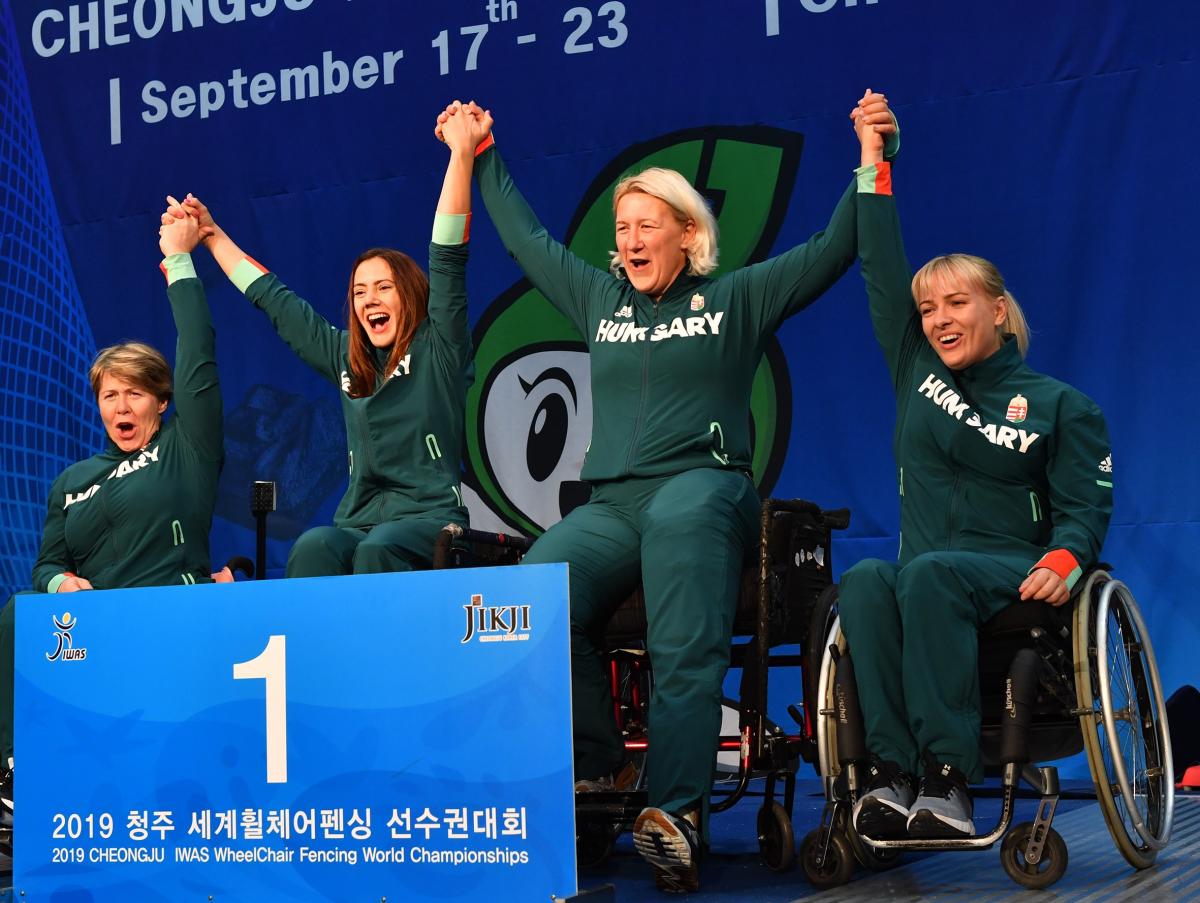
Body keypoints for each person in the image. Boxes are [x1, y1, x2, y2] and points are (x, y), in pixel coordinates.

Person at [437, 95, 896, 893]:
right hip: (613, 502)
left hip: (703, 486)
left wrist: (870, 152)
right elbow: (528, 241)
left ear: (689, 232)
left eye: (647, 224)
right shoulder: (598, 300)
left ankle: (680, 815)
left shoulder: (736, 297)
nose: (630, 240)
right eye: (622, 229)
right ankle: (605, 771)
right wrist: (483, 155)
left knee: (684, 611)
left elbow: (834, 247)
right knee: (536, 597)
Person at [840, 91, 1112, 840]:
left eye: (955, 303)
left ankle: (951, 780)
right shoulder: (915, 370)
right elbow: (877, 263)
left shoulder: (1061, 405)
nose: (938, 320)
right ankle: (894, 774)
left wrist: (1068, 553)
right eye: (928, 310)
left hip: (1008, 570)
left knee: (928, 574)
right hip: (930, 573)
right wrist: (875, 163)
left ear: (998, 308)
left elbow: (1086, 506)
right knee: (866, 579)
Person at [170, 107, 479, 578]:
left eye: (383, 288)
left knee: (380, 549)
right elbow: (277, 302)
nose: (368, 300)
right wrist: (212, 237)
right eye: (358, 292)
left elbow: (448, 256)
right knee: (314, 545)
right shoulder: (345, 359)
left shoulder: (440, 350)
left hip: (428, 522)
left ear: (411, 296)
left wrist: (461, 155)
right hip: (359, 523)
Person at [0, 208, 224, 825]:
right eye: (109, 394)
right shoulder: (72, 481)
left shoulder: (187, 448)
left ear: (162, 398)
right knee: (24, 608)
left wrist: (180, 260)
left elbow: (199, 349)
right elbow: (48, 561)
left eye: (134, 392)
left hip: (165, 616)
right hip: (95, 629)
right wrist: (57, 583)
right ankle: (14, 772)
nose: (120, 406)